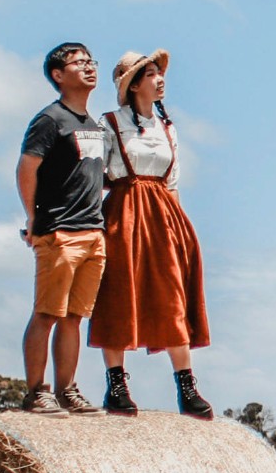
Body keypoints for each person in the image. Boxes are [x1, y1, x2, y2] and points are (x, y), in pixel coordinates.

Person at [91, 48, 212, 418]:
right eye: (151, 75)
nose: (160, 80)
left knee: (172, 295)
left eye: (161, 74)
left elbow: (173, 182)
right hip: (124, 212)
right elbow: (95, 179)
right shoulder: (108, 124)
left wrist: (180, 230)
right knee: (118, 293)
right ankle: (116, 384)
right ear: (133, 85)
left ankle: (186, 385)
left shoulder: (169, 130)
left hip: (164, 215)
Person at [15, 42, 110, 416]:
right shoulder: (50, 119)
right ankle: (37, 391)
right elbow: (26, 169)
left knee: (74, 318)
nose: (89, 68)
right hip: (60, 231)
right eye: (79, 63)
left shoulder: (94, 125)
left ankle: (67, 390)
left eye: (91, 62)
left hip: (93, 232)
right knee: (47, 313)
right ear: (58, 75)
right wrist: (33, 218)